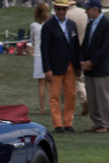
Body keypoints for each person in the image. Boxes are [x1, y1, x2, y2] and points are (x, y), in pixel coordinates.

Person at [40, 0, 80, 133]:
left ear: (67, 9)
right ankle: (57, 124)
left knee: (71, 95)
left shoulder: (72, 25)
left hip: (71, 65)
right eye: (58, 9)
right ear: (54, 9)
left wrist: (78, 66)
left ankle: (68, 122)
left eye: (64, 9)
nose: (61, 11)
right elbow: (44, 49)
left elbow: (75, 47)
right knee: (54, 96)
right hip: (55, 67)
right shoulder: (48, 26)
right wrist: (47, 69)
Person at [81, 0, 109, 133]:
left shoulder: (108, 24)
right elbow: (85, 45)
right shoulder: (89, 25)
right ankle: (97, 122)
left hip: (100, 68)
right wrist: (83, 62)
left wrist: (92, 62)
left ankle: (107, 124)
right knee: (92, 97)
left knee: (102, 97)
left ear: (95, 9)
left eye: (88, 9)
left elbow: (105, 47)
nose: (86, 11)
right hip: (89, 69)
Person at [31, 2, 49, 114]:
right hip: (48, 55)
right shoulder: (50, 24)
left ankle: (42, 108)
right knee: (49, 83)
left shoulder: (34, 25)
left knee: (41, 83)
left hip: (38, 55)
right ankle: (52, 106)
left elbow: (32, 40)